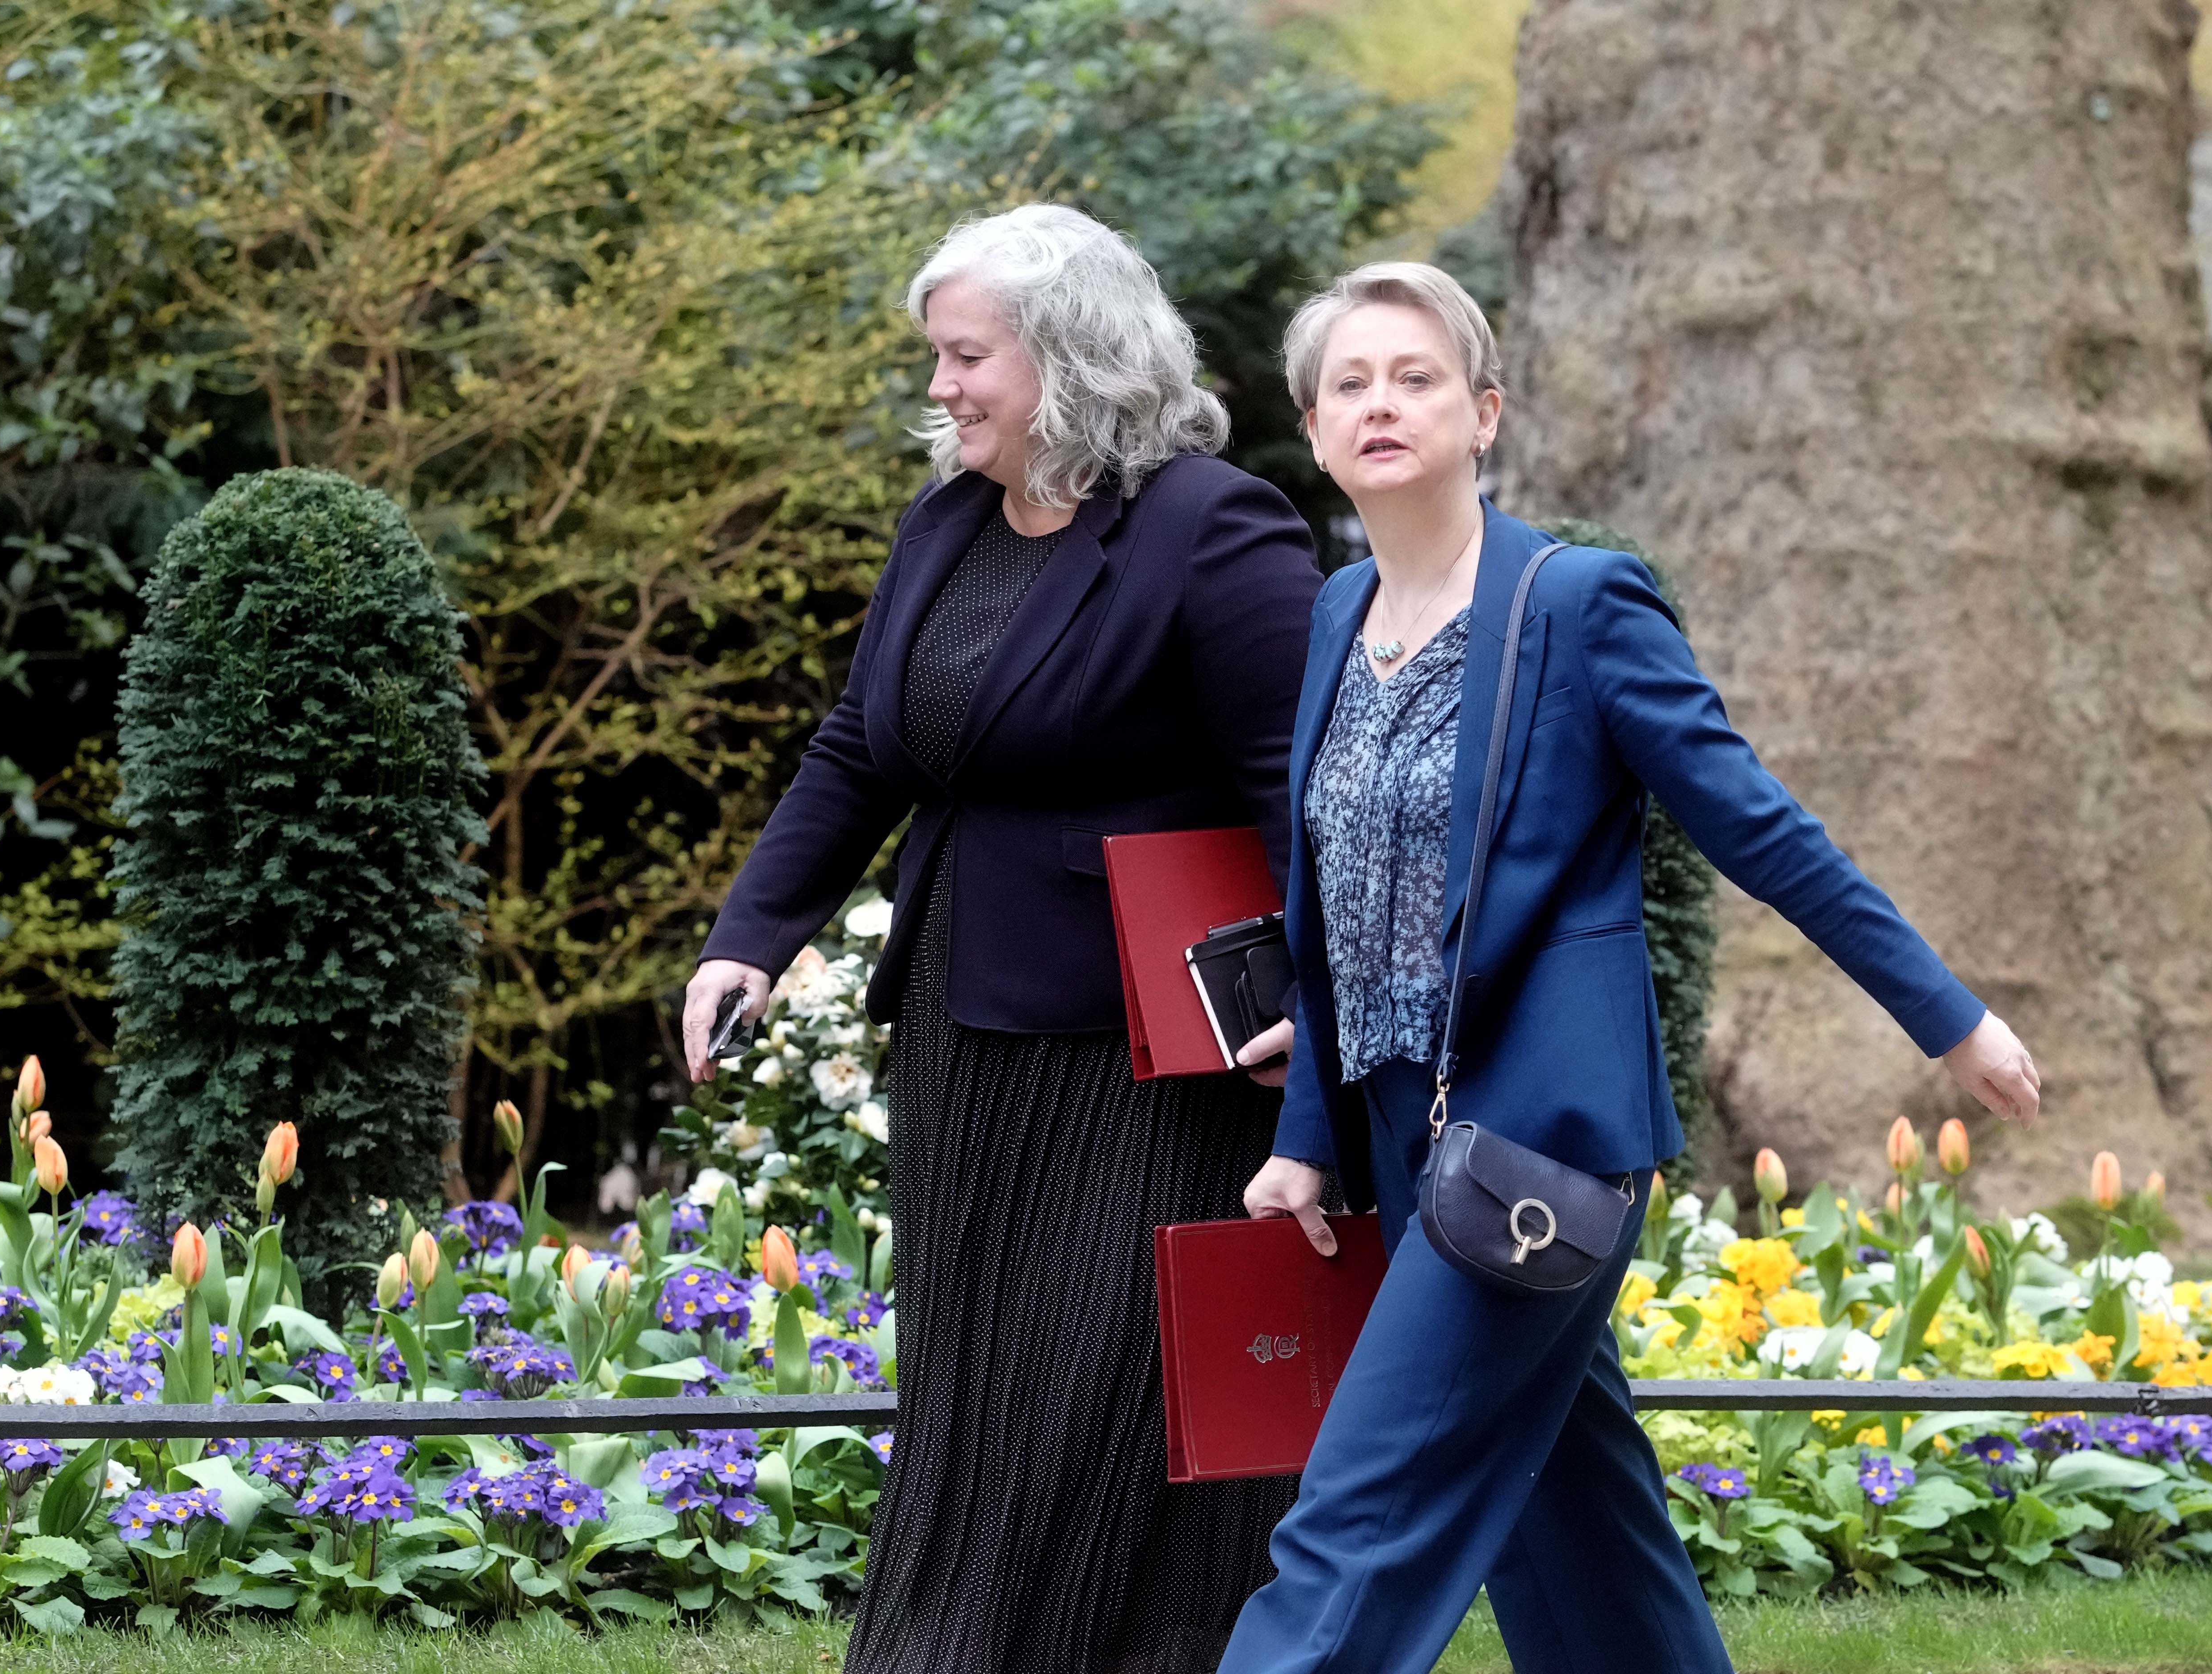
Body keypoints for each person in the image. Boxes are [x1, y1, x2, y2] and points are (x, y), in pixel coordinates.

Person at [1222, 262, 2043, 1674]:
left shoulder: (1578, 604)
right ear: (1312, 429)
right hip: (1401, 1122)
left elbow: (1757, 825)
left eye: (1415, 377)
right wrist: (1309, 1136)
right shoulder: (1334, 616)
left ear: (1485, 414)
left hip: (1540, 1134)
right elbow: (1327, 907)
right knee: (1578, 1521)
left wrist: (1945, 1015)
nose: (1380, 403)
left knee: (1358, 1514)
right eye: (1348, 383)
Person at [682, 204, 1323, 1674]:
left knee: (1097, 1388)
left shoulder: (1209, 525)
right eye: (939, 357)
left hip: (1147, 1053)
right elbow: (862, 744)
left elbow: (1298, 785)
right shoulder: (952, 521)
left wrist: (1318, 999)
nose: (942, 386)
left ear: (1067, 354)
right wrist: (754, 936)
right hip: (967, 1033)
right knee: (976, 1380)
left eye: (967, 356)